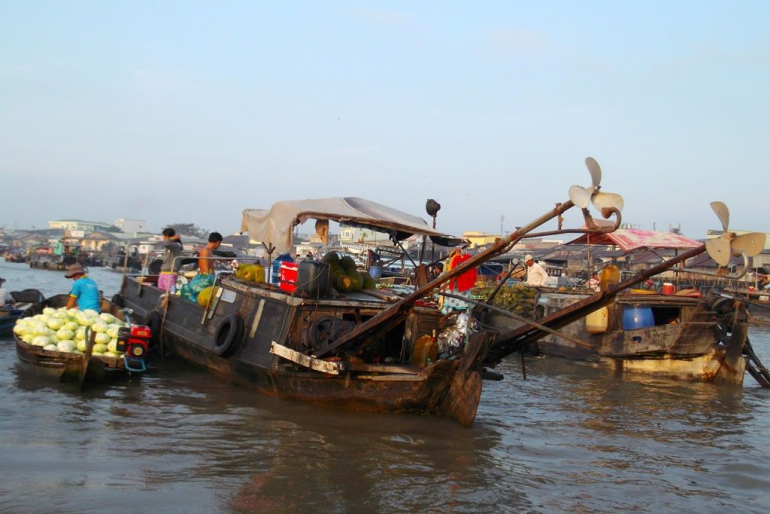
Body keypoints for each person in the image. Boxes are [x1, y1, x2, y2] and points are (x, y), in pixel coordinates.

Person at [159, 228, 183, 292]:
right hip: (164, 272)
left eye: (163, 236)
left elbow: (166, 244)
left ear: (166, 236)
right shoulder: (171, 245)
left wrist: (172, 239)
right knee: (161, 292)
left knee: (169, 293)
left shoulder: (175, 245)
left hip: (170, 273)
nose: (162, 238)